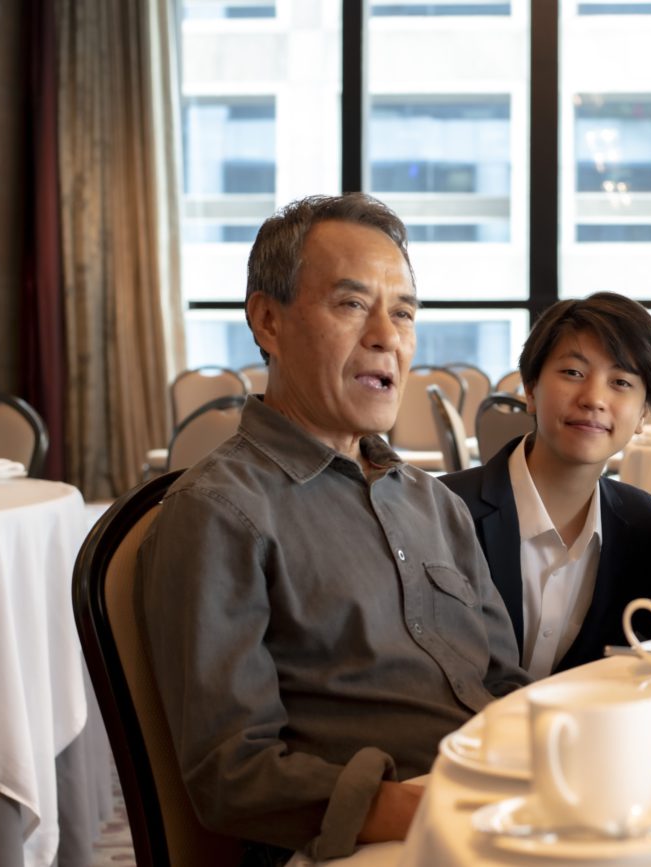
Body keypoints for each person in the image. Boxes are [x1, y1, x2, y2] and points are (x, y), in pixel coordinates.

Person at [137, 193, 529, 864]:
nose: (386, 336)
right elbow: (233, 774)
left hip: (493, 805)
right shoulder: (219, 511)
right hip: (366, 841)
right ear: (268, 320)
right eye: (352, 304)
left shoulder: (435, 503)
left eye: (403, 312)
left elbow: (503, 685)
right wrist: (446, 808)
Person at [439, 292, 651, 677]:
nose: (594, 399)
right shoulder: (443, 509)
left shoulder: (643, 524)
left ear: (644, 414)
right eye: (573, 373)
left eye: (621, 381)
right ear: (530, 389)